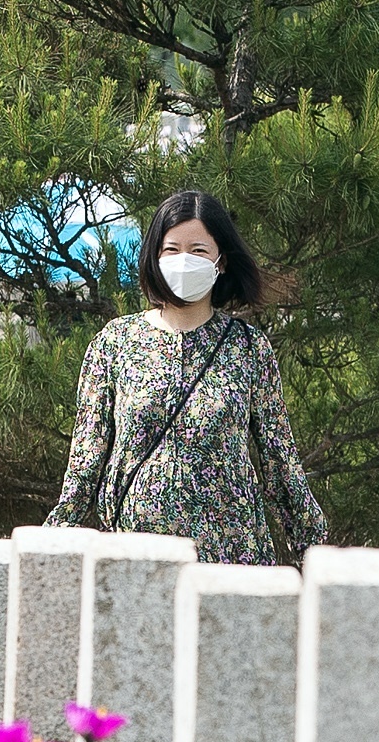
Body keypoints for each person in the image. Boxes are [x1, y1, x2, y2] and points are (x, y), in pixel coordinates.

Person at [46, 188, 326, 566]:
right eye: (171, 249)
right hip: (137, 560)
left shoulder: (249, 348)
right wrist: (52, 542)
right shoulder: (115, 343)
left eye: (198, 250)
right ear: (154, 257)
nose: (183, 260)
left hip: (231, 562)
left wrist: (315, 552)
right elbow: (86, 458)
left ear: (221, 261)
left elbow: (280, 461)